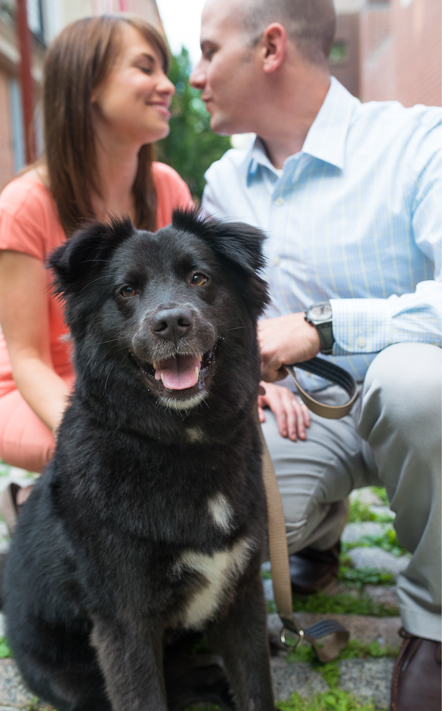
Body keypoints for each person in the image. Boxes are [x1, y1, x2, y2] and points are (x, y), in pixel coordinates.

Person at [190, 0, 440, 707]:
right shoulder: (224, 184)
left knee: (415, 385)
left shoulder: (418, 141)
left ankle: (435, 625)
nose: (197, 76)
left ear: (270, 48)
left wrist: (321, 326)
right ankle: (317, 532)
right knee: (241, 493)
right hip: (306, 411)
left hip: (420, 395)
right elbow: (227, 324)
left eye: (209, 52)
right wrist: (245, 375)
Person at [0, 14, 194, 514]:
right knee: (136, 449)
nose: (166, 84)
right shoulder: (24, 204)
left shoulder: (168, 189)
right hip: (36, 387)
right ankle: (39, 514)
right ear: (89, 86)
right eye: (145, 67)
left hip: (148, 371)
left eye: (163, 70)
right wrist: (90, 432)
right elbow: (26, 358)